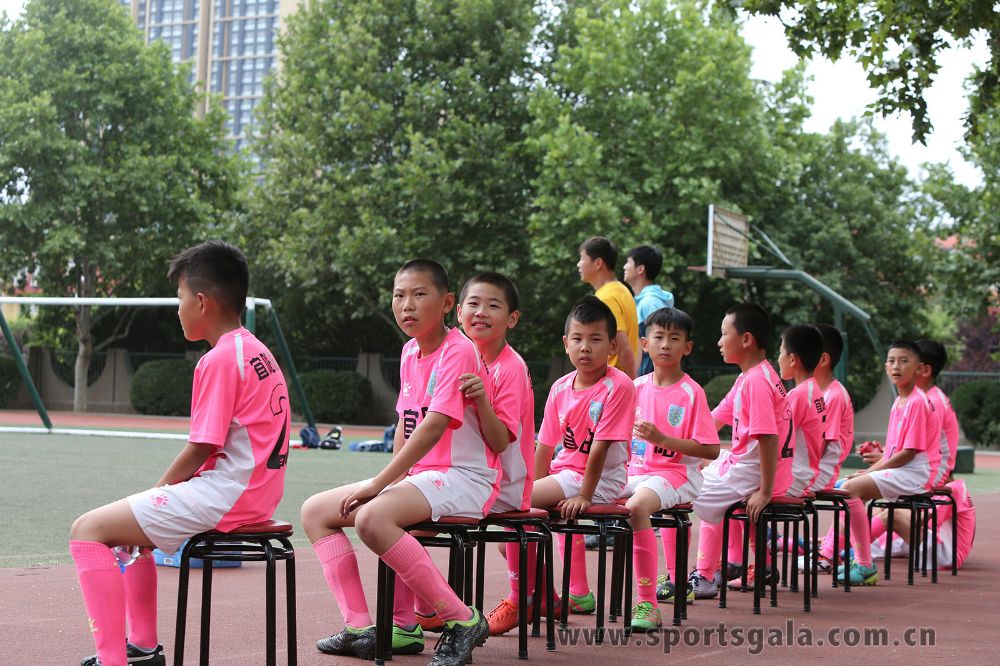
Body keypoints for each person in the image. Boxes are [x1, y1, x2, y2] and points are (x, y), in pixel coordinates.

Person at [71, 241, 290, 666]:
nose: (178, 309)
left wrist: (158, 490)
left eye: (180, 298)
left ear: (202, 302)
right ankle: (142, 649)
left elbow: (202, 445)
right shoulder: (256, 351)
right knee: (131, 532)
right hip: (255, 492)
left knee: (87, 530)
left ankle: (114, 660)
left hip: (229, 494)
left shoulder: (220, 359)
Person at [300, 260, 499, 665]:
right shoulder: (409, 351)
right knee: (315, 511)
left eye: (419, 295)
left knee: (371, 518)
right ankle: (360, 629)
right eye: (399, 295)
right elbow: (406, 426)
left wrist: (378, 485)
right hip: (422, 477)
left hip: (465, 477)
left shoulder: (458, 350)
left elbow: (433, 427)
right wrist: (391, 480)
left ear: (446, 302)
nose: (407, 305)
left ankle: (462, 620)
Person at [528, 296, 637, 613]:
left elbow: (600, 447)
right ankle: (571, 593)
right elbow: (545, 445)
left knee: (515, 503)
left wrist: (585, 496)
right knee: (520, 516)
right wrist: (536, 488)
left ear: (612, 346)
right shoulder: (560, 388)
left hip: (600, 481)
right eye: (577, 339)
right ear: (566, 344)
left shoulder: (619, 385)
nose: (585, 347)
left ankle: (540, 597)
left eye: (595, 339)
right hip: (565, 475)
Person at [450, 272, 539, 636]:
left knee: (407, 511)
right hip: (467, 472)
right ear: (459, 312)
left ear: (512, 318)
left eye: (493, 305)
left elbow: (500, 441)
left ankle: (520, 599)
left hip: (505, 481)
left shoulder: (510, 368)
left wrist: (481, 399)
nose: (481, 312)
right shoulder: (455, 355)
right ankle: (426, 607)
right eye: (473, 304)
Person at [622, 307, 719, 630]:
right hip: (634, 473)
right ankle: (575, 591)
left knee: (637, 507)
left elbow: (710, 450)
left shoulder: (692, 393)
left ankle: (648, 603)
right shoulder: (634, 387)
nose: (665, 344)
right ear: (645, 343)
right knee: (574, 496)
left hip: (677, 475)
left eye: (674, 338)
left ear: (687, 347)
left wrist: (663, 439)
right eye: (659, 337)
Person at [689, 303, 791, 598]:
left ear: (746, 339)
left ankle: (705, 575)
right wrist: (674, 442)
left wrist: (765, 492)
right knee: (693, 469)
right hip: (747, 466)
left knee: (681, 489)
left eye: (724, 334)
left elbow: (768, 437)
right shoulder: (751, 376)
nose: (719, 342)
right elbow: (714, 418)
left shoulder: (757, 382)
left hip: (751, 473)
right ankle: (738, 562)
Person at [833, 340, 933, 586]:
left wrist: (869, 472)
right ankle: (857, 558)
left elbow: (908, 453)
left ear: (919, 369)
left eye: (904, 361)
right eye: (891, 361)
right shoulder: (898, 402)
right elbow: (892, 451)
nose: (896, 366)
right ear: (886, 367)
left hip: (913, 473)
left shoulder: (917, 402)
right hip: (901, 470)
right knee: (842, 486)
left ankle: (863, 564)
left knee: (849, 489)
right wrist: (869, 470)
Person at [577, 236, 639, 379]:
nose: (578, 264)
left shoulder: (607, 297)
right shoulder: (622, 290)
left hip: (613, 382)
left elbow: (624, 348)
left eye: (582, 258)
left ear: (598, 263)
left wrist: (633, 384)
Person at [783, 325, 827, 499]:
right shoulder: (813, 390)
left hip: (793, 477)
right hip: (804, 475)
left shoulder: (799, 395)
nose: (778, 358)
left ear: (792, 359)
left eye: (780, 352)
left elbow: (777, 439)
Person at [623, 245, 675, 376]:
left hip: (650, 378)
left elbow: (662, 343)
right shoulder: (642, 301)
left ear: (640, 269)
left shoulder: (650, 302)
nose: (624, 267)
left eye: (628, 262)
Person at [915, 339, 959, 485]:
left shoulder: (932, 402)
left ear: (925, 370)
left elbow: (917, 448)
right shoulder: (922, 398)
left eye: (905, 362)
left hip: (933, 472)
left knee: (856, 487)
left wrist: (885, 459)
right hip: (923, 468)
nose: (898, 367)